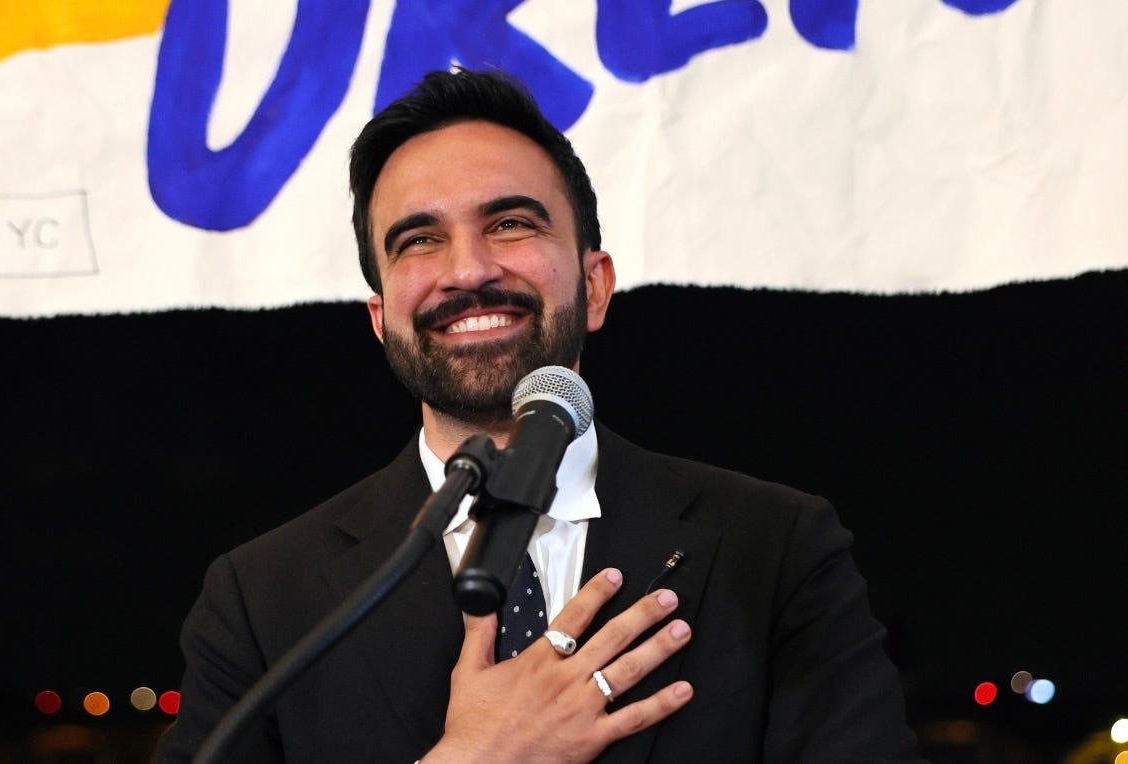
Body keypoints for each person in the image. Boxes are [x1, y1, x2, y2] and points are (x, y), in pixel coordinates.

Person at [154, 68, 923, 763]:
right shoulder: (262, 598)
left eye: (511, 224)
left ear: (595, 285)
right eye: (420, 239)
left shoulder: (776, 547)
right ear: (381, 318)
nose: (468, 269)